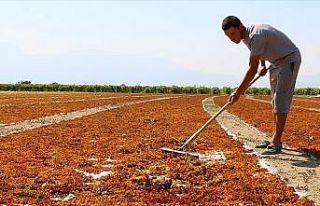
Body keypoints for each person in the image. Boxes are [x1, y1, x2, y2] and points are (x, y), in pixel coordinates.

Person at [221, 16, 301, 154]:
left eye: (233, 33)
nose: (232, 38)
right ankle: (274, 139)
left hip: (289, 59)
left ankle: (276, 142)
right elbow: (260, 54)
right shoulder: (245, 37)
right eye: (228, 36)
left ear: (240, 26)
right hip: (275, 62)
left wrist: (238, 92)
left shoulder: (255, 35)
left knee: (280, 100)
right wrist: (263, 65)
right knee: (275, 102)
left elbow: (252, 69)